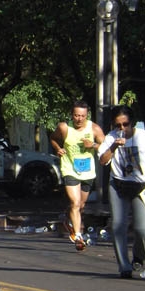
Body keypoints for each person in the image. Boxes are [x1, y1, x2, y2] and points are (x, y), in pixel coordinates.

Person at [98, 105, 145, 278]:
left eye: (125, 124)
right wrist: (113, 147)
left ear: (131, 122)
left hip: (141, 185)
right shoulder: (110, 138)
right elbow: (103, 161)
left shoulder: (143, 137)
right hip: (118, 185)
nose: (122, 129)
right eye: (117, 125)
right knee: (119, 225)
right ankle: (124, 266)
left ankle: (139, 256)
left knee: (143, 229)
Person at [50, 100, 105, 251]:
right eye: (76, 115)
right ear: (71, 115)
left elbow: (107, 146)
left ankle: (69, 220)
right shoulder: (64, 127)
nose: (79, 119)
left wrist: (93, 145)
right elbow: (53, 139)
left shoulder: (94, 128)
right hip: (69, 169)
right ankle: (78, 236)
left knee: (81, 205)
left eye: (82, 116)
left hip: (88, 171)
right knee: (75, 202)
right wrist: (58, 148)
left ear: (87, 115)